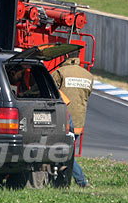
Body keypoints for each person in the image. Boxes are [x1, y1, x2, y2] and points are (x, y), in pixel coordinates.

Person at [51, 50, 94, 188]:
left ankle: (81, 180)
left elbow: (49, 90)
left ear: (66, 56)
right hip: (79, 122)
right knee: (67, 152)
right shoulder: (88, 76)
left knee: (64, 154)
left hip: (62, 120)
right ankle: (61, 180)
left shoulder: (60, 72)